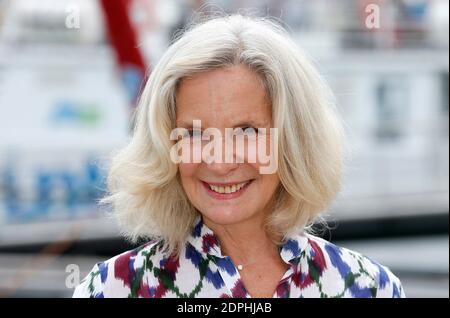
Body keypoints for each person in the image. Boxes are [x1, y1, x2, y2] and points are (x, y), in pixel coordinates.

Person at [73, 14, 405, 298]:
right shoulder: (113, 288)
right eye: (195, 134)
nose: (220, 162)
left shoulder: (368, 287)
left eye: (246, 132)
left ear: (292, 141)